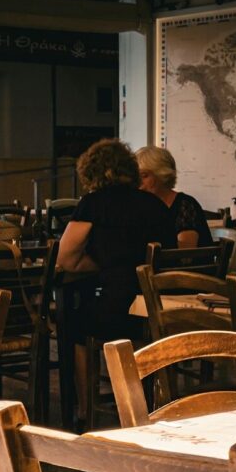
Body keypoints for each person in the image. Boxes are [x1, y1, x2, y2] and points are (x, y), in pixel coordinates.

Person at [57, 138, 177, 425]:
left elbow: (66, 259)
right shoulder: (156, 204)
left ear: (90, 172)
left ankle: (85, 409)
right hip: (155, 309)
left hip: (116, 307)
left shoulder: (93, 204)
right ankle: (148, 403)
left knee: (73, 325)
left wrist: (102, 263)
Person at [135, 145, 214, 249]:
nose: (139, 182)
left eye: (144, 176)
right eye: (136, 177)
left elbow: (185, 256)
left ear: (161, 174)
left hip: (187, 265)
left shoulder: (185, 204)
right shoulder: (143, 206)